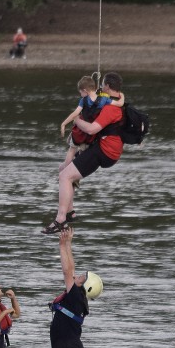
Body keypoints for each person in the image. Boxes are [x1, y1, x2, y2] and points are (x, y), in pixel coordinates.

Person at [43, 72, 127, 235]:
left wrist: (76, 122)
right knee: (65, 170)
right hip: (106, 149)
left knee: (65, 176)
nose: (101, 88)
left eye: (102, 85)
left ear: (108, 87)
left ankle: (60, 220)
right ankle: (70, 212)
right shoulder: (114, 103)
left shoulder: (110, 108)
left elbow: (92, 129)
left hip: (104, 151)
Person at [58, 75, 125, 170]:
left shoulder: (83, 100)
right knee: (83, 152)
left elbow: (75, 113)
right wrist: (122, 95)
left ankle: (66, 169)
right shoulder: (104, 99)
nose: (81, 94)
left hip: (80, 131)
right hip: (90, 136)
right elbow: (120, 104)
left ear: (85, 90)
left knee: (72, 149)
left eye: (80, 92)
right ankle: (76, 170)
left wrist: (64, 124)